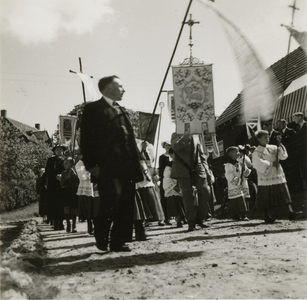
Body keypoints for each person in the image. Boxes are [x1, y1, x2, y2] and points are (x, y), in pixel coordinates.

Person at [80, 75, 143, 252]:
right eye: (120, 86)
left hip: (126, 167)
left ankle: (118, 241)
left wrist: (137, 166)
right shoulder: (93, 109)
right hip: (106, 168)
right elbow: (86, 139)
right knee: (110, 203)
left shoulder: (122, 111)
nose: (124, 89)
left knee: (125, 204)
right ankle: (102, 237)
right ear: (108, 88)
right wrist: (92, 165)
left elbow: (129, 141)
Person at [252, 130, 302, 223]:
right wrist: (271, 164)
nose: (267, 139)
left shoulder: (274, 147)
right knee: (266, 196)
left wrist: (279, 144)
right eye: (264, 137)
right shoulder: (256, 152)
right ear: (258, 139)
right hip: (266, 176)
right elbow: (257, 164)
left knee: (283, 193)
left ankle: (290, 212)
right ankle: (266, 215)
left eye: (268, 137)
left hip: (277, 173)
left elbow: (283, 156)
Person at [171, 130, 214, 232]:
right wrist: (185, 136)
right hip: (182, 169)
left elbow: (201, 154)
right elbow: (176, 148)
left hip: (198, 168)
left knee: (205, 190)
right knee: (187, 197)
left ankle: (201, 218)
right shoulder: (176, 135)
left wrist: (207, 171)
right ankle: (191, 223)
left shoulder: (196, 135)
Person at [75, 153, 98, 235]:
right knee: (89, 207)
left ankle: (97, 226)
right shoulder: (80, 163)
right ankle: (90, 225)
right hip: (87, 186)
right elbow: (82, 176)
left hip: (96, 185)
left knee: (96, 207)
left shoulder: (96, 161)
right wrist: (90, 173)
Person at [225, 146, 250, 221]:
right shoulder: (228, 165)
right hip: (234, 185)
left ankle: (244, 214)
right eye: (236, 152)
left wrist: (245, 170)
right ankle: (236, 215)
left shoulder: (239, 162)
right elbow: (229, 175)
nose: (238, 153)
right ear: (231, 154)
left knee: (242, 199)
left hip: (241, 183)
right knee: (236, 200)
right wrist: (238, 181)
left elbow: (245, 171)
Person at [44, 145, 66, 230]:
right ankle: (56, 222)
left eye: (61, 149)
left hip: (63, 184)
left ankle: (61, 222)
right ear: (54, 151)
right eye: (57, 149)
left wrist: (63, 176)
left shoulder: (65, 160)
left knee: (62, 204)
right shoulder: (51, 160)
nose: (59, 151)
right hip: (53, 185)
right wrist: (55, 176)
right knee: (54, 204)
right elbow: (47, 172)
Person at [163, 148, 186, 228]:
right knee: (176, 203)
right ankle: (178, 220)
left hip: (182, 184)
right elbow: (167, 177)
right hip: (174, 185)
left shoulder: (181, 163)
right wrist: (174, 185)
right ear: (171, 155)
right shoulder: (169, 165)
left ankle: (185, 218)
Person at [277, 119, 298, 193]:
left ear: (284, 124)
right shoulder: (279, 134)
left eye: (280, 124)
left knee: (294, 172)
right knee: (287, 172)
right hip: (284, 157)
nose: (279, 126)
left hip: (291, 156)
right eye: (278, 124)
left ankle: (297, 188)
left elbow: (295, 144)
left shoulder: (291, 131)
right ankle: (290, 188)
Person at [59, 157, 80, 233]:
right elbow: (61, 183)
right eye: (64, 163)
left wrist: (74, 175)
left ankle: (74, 225)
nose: (65, 165)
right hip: (65, 191)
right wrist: (67, 177)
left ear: (71, 164)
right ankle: (68, 224)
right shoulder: (64, 173)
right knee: (66, 207)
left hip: (73, 190)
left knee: (74, 207)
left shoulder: (75, 172)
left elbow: (78, 181)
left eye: (66, 163)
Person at [293, 112, 307, 191]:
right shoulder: (298, 128)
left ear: (300, 117)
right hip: (302, 154)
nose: (294, 120)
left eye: (295, 118)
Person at [159, 141, 172, 225]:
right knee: (165, 198)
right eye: (166, 145)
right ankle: (166, 218)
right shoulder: (162, 157)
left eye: (169, 145)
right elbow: (161, 169)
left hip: (174, 178)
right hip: (166, 179)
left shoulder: (173, 156)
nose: (167, 146)